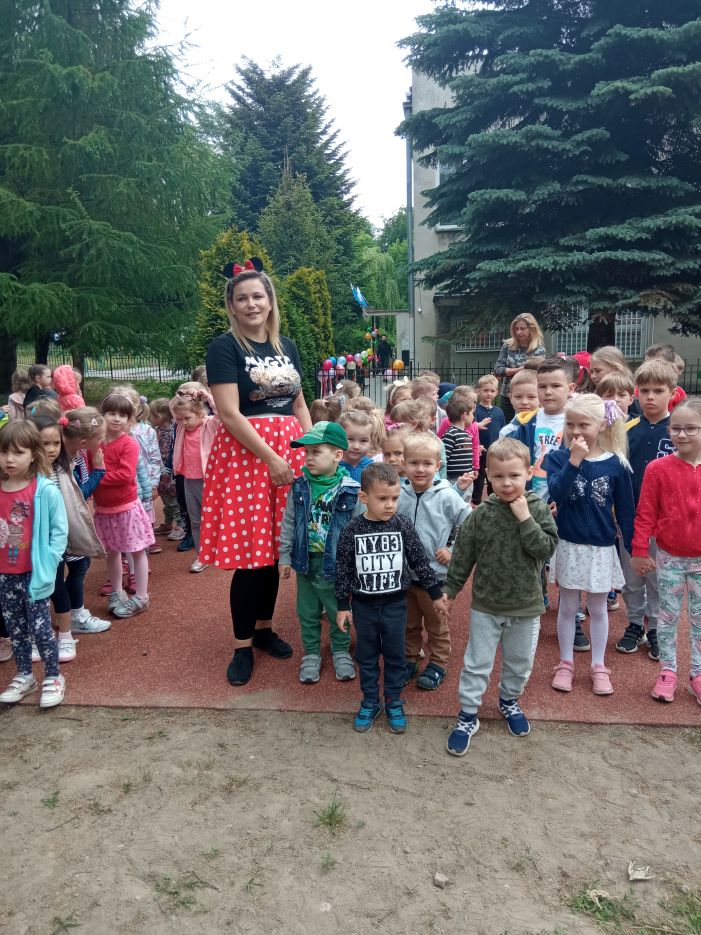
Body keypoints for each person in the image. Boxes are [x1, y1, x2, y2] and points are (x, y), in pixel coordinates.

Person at [200, 260, 311, 687]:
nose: (251, 304)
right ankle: (242, 645)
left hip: (289, 452)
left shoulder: (288, 346)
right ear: (231, 305)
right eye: (242, 298)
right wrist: (271, 458)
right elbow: (229, 413)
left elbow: (299, 404)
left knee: (276, 552)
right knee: (251, 556)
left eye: (258, 296)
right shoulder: (225, 347)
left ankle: (264, 629)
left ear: (269, 301)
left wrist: (311, 447)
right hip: (249, 456)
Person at [439, 438, 559, 755]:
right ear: (488, 477)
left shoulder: (537, 509)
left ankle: (509, 700)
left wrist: (525, 519)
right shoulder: (481, 515)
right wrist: (451, 590)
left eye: (514, 476)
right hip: (487, 605)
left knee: (519, 662)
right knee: (477, 663)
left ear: (528, 473)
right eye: (498, 476)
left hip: (526, 605)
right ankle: (468, 715)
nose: (507, 483)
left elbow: (545, 549)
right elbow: (463, 554)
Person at [335, 462, 444, 734]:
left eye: (394, 498)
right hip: (364, 606)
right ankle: (370, 700)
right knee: (367, 656)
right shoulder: (352, 530)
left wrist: (435, 593)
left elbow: (419, 561)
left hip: (396, 604)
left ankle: (394, 700)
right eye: (382, 498)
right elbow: (343, 570)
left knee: (396, 656)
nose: (390, 505)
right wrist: (342, 605)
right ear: (364, 497)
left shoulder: (402, 524)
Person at [548, 395, 635, 695]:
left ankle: (599, 665)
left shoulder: (617, 464)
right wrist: (574, 461)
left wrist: (634, 550)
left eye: (583, 424)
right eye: (570, 424)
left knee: (598, 608)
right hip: (569, 544)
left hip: (601, 548)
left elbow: (626, 510)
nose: (575, 431)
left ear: (601, 425)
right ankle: (566, 663)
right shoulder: (559, 458)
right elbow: (556, 493)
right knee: (568, 606)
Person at [631, 399, 701, 704]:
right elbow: (645, 512)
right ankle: (668, 671)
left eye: (691, 428)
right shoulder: (658, 469)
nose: (681, 434)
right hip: (669, 556)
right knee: (667, 617)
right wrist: (639, 549)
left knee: (700, 619)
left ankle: (697, 674)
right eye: (676, 428)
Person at [278, 421, 359, 684]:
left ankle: (340, 650)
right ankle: (311, 653)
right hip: (306, 562)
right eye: (307, 452)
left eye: (316, 452)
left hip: (337, 565)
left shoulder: (351, 490)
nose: (309, 458)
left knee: (338, 609)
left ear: (337, 455)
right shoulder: (300, 486)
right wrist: (285, 556)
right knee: (307, 612)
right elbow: (289, 522)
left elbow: (359, 528)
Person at [0, 421, 68, 708]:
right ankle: (25, 675)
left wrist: (49, 563)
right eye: (4, 452)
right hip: (5, 575)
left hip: (35, 573)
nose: (9, 459)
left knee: (41, 629)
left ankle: (53, 676)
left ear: (33, 455)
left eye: (18, 452)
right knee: (15, 629)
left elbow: (59, 531)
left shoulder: (45, 490)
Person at [398, 433, 471, 690]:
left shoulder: (447, 495)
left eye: (427, 463)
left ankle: (438, 663)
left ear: (438, 465)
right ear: (404, 464)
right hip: (405, 576)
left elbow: (469, 523)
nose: (420, 469)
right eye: (414, 463)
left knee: (436, 624)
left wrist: (453, 549)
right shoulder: (400, 493)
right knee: (408, 623)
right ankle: (410, 659)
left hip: (436, 576)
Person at [616, 359, 676, 659]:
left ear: (672, 393)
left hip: (663, 521)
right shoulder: (626, 429)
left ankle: (655, 626)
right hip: (630, 516)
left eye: (658, 390)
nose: (650, 397)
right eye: (644, 390)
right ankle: (635, 623)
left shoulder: (678, 431)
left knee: (657, 577)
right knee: (631, 577)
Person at [90, 393, 155, 618]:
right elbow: (88, 471)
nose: (117, 419)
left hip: (126, 508)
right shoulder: (95, 443)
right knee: (112, 552)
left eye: (123, 415)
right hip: (104, 509)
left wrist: (98, 477)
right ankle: (117, 592)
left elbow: (125, 475)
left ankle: (142, 597)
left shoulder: (129, 443)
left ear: (129, 419)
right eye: (112, 413)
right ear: (103, 415)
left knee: (136, 551)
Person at [60, 407, 111, 635]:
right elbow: (79, 493)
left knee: (79, 564)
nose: (103, 441)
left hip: (69, 521)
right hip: (64, 524)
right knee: (77, 566)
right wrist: (99, 471)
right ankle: (74, 616)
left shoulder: (76, 455)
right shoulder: (64, 461)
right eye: (100, 437)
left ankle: (70, 613)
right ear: (83, 442)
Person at [170, 384, 219, 574]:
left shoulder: (210, 424)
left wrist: (207, 396)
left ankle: (218, 549)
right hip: (189, 480)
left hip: (208, 481)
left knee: (212, 518)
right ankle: (202, 555)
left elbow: (221, 414)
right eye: (180, 419)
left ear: (199, 413)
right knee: (195, 521)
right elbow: (173, 408)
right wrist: (180, 395)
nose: (183, 423)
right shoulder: (182, 428)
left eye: (187, 418)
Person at [494, 314, 546, 423]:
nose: (518, 332)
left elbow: (537, 372)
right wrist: (520, 369)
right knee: (508, 427)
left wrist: (511, 370)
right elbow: (498, 369)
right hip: (508, 395)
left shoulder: (539, 349)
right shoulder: (508, 345)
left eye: (522, 329)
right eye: (516, 329)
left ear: (531, 329)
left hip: (529, 397)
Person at [148, 398, 183, 540]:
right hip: (160, 471)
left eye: (152, 415)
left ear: (159, 416)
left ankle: (181, 525)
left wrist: (167, 469)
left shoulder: (171, 431)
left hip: (169, 471)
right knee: (166, 499)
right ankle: (168, 523)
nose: (150, 418)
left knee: (173, 501)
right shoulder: (159, 430)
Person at [472, 374, 505, 505]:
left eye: (492, 391)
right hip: (480, 450)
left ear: (497, 392)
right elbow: (472, 429)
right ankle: (476, 503)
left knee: (494, 477)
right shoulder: (475, 411)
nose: (489, 393)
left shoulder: (499, 411)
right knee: (479, 479)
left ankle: (493, 502)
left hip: (494, 451)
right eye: (485, 390)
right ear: (478, 391)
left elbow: (502, 431)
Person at [442, 395, 478, 484]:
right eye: (472, 414)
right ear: (465, 415)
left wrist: (473, 468)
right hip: (453, 479)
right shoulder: (451, 434)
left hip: (467, 476)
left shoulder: (466, 434)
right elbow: (444, 458)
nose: (473, 417)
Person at [338, 409, 378, 482]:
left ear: (371, 441)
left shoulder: (374, 469)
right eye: (350, 439)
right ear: (339, 437)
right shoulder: (332, 467)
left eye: (363, 440)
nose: (356, 446)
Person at [499, 370, 539, 436]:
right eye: (518, 397)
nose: (524, 402)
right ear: (510, 398)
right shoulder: (506, 433)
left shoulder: (551, 428)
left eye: (531, 397)